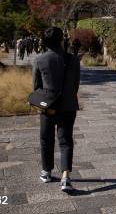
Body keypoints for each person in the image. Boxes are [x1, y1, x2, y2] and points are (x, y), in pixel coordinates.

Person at [32, 27, 81, 192]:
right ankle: (66, 177)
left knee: (46, 139)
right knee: (66, 140)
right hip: (68, 106)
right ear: (61, 40)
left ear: (44, 42)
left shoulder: (40, 60)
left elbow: (36, 87)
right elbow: (75, 84)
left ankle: (46, 171)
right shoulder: (73, 59)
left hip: (48, 107)